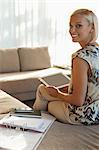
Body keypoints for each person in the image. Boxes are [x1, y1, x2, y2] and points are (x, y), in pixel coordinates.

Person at [33, 9, 99, 125]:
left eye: (78, 26)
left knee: (47, 99)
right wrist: (63, 89)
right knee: (44, 90)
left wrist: (57, 94)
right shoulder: (97, 50)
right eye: (71, 25)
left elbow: (78, 101)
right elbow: (92, 85)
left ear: (92, 28)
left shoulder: (80, 57)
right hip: (96, 111)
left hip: (82, 115)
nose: (72, 30)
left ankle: (32, 123)